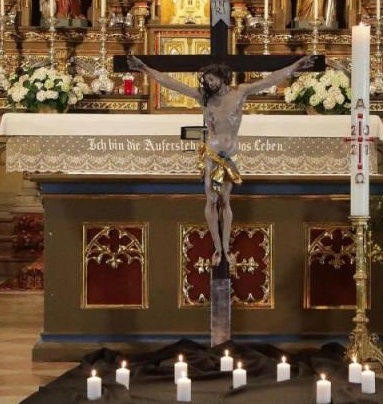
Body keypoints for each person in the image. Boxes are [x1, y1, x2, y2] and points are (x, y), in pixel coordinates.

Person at [128, 54, 316, 266]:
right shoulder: (204, 98)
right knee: (211, 199)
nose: (209, 83)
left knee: (225, 201)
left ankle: (225, 247)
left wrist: (296, 66)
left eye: (212, 79)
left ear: (222, 76)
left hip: (229, 156)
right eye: (206, 80)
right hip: (212, 154)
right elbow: (172, 83)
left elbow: (270, 80)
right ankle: (217, 248)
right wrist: (145, 69)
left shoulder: (240, 92)